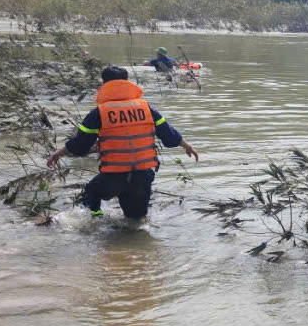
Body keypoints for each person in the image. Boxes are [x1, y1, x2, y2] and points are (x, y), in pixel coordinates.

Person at [47, 66, 198, 220]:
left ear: (104, 84)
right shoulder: (146, 109)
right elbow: (169, 135)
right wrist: (187, 146)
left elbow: (80, 145)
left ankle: (96, 222)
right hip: (143, 176)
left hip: (113, 177)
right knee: (136, 222)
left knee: (91, 193)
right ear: (127, 83)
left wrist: (59, 153)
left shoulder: (99, 112)